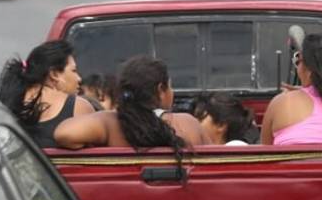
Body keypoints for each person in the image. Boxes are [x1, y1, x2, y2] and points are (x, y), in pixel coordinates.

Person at [54, 55, 210, 149]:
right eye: (170, 86)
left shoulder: (109, 124)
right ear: (161, 89)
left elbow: (64, 134)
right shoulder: (188, 124)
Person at [0, 40, 94, 148]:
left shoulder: (4, 106)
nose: (79, 79)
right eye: (74, 71)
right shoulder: (78, 107)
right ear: (54, 74)